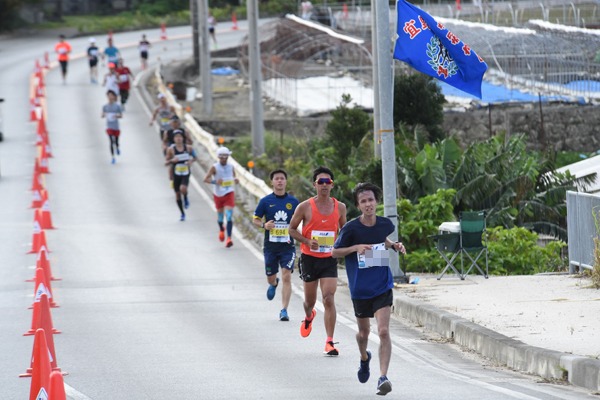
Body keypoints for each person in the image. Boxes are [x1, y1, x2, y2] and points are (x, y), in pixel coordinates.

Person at [332, 182, 406, 396]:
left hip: (382, 285)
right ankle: (365, 358)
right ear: (358, 205)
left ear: (376, 202)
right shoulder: (351, 228)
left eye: (371, 200)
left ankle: (383, 377)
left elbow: (379, 240)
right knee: (363, 334)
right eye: (363, 201)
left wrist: (394, 245)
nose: (368, 204)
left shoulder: (384, 224)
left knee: (383, 331)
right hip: (360, 289)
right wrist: (355, 248)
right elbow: (334, 253)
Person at [289, 166, 347, 356]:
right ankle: (308, 316)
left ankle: (329, 342)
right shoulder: (304, 207)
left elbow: (344, 231)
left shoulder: (340, 207)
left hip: (329, 258)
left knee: (329, 298)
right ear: (314, 184)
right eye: (320, 182)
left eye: (327, 182)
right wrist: (306, 241)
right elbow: (291, 229)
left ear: (332, 185)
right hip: (309, 259)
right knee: (309, 302)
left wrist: (345, 247)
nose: (324, 185)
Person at [253, 169, 300, 321]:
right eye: (276, 179)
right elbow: (256, 219)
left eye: (282, 179)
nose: (279, 181)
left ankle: (284, 310)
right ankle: (273, 283)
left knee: (287, 276)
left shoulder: (293, 202)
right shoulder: (265, 201)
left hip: (287, 247)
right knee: (270, 277)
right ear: (272, 182)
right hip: (271, 247)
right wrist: (264, 225)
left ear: (286, 182)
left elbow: (301, 220)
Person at [203, 147, 239, 248]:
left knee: (228, 216)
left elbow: (234, 177)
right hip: (218, 194)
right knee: (220, 218)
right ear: (218, 157)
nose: (224, 158)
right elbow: (205, 179)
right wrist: (215, 182)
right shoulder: (214, 167)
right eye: (222, 156)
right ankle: (221, 229)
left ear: (228, 157)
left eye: (225, 156)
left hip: (229, 193)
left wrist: (236, 180)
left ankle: (229, 239)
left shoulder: (231, 167)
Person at [165, 131, 196, 221]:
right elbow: (166, 162)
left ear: (183, 138)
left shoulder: (189, 148)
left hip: (185, 172)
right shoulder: (171, 149)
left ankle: (185, 197)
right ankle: (182, 213)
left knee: (183, 188)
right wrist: (172, 160)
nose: (178, 139)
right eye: (176, 137)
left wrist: (190, 161)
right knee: (177, 194)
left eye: (180, 137)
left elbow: (195, 157)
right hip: (176, 173)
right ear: (174, 139)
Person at [101, 90, 123, 164]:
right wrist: (104, 115)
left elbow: (121, 115)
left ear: (114, 97)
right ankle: (113, 157)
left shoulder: (117, 106)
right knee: (111, 141)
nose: (110, 97)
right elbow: (102, 115)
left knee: (116, 141)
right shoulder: (105, 106)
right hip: (109, 126)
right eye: (109, 96)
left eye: (111, 95)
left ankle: (117, 147)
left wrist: (116, 116)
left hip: (116, 126)